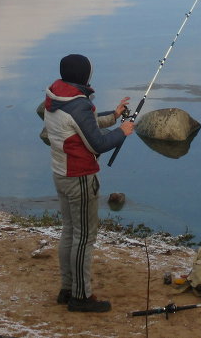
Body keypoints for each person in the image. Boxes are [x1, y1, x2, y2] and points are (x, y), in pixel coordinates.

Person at [43, 53, 134, 313]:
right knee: (84, 237)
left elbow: (83, 126)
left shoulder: (56, 97)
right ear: (84, 75)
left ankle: (67, 289)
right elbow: (98, 143)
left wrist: (114, 116)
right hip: (80, 177)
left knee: (70, 232)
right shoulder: (79, 105)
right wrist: (122, 132)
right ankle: (80, 297)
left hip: (61, 173)